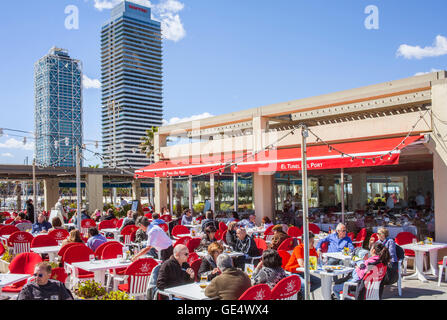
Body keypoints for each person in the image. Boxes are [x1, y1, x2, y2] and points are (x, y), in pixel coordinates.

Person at [369, 227, 399, 294]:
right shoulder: (378, 242)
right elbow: (371, 253)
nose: (376, 235)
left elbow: (391, 254)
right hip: (380, 262)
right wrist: (371, 244)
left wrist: (380, 258)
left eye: (378, 233)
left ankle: (375, 291)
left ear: (383, 234)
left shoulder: (390, 241)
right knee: (369, 268)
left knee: (374, 269)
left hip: (390, 264)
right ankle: (371, 288)